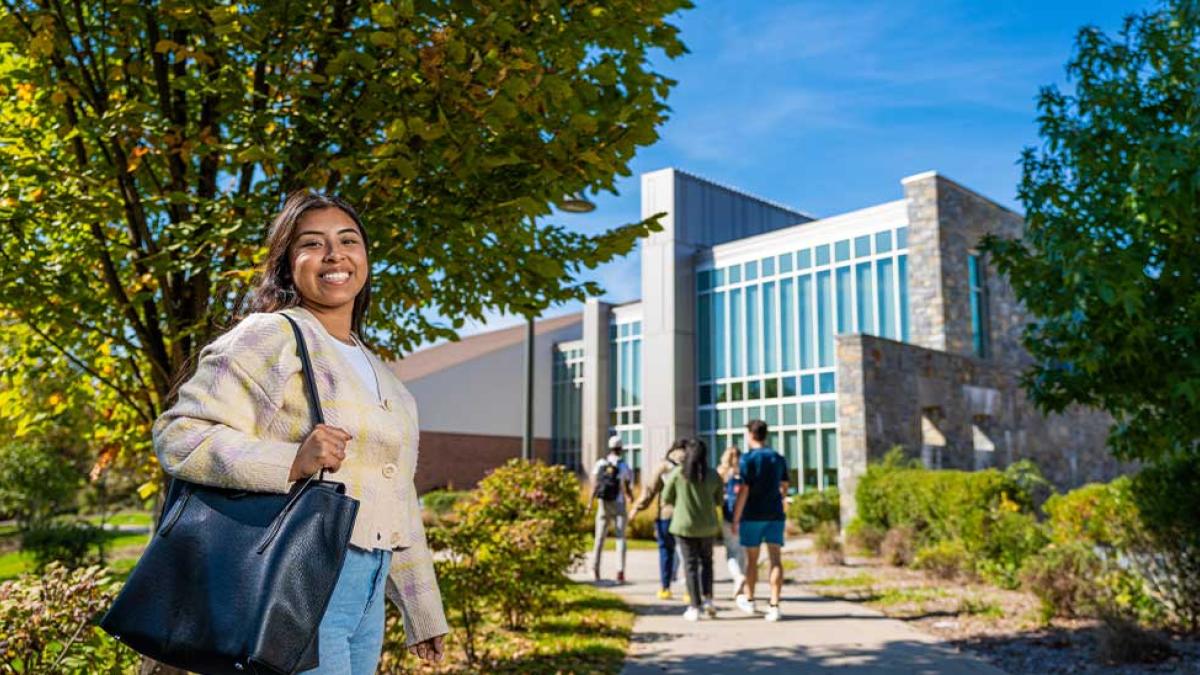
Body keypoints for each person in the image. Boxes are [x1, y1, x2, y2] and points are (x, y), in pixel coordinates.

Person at [154, 191, 448, 672]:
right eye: (312, 243)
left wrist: (421, 611)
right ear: (288, 264)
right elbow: (179, 434)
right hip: (298, 578)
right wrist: (289, 461)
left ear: (365, 258)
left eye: (348, 240)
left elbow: (397, 496)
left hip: (367, 587)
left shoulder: (383, 373)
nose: (334, 254)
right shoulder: (271, 335)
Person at [732, 419, 789, 622]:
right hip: (774, 514)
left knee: (752, 560)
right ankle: (774, 605)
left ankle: (750, 598)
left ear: (750, 435)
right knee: (775, 559)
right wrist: (780, 501)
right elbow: (784, 486)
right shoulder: (778, 458)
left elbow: (744, 490)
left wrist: (735, 518)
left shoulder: (747, 459)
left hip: (752, 514)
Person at [660, 437, 724, 621]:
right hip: (708, 526)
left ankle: (694, 606)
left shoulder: (679, 473)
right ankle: (708, 600)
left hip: (684, 525)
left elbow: (666, 497)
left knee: (690, 566)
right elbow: (719, 500)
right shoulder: (713, 475)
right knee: (707, 563)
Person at [630, 439, 686, 599]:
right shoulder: (693, 464)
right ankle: (691, 590)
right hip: (687, 515)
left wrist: (636, 508)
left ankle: (665, 588)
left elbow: (650, 490)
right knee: (687, 553)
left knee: (665, 551)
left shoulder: (664, 465)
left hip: (666, 514)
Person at [590, 434, 635, 583]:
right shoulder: (623, 466)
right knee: (620, 538)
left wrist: (590, 503)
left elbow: (595, 485)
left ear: (609, 448)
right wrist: (630, 497)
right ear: (621, 449)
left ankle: (595, 570)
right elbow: (627, 487)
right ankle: (620, 571)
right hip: (619, 504)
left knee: (599, 538)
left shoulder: (600, 464)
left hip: (603, 504)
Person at [717, 446, 747, 600]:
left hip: (727, 517)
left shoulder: (721, 474)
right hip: (745, 516)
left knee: (731, 552)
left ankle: (738, 576)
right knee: (742, 552)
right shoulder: (744, 473)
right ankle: (741, 582)